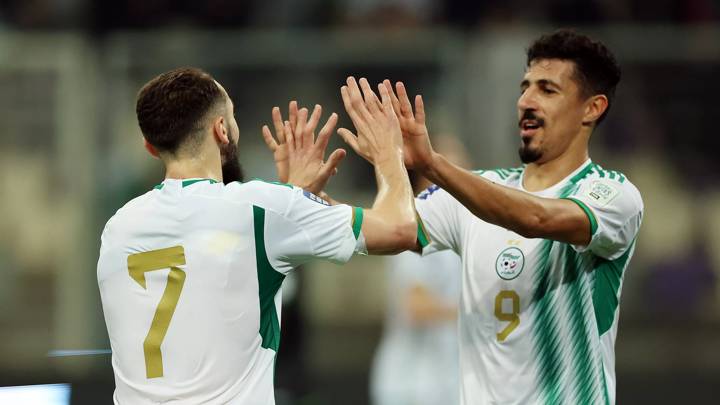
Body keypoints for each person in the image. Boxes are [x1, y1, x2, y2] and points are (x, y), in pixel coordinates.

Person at [268, 29, 643, 405]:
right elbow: (388, 228)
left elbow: (537, 219)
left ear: (592, 108)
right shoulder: (474, 192)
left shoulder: (611, 196)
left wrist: (431, 163)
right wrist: (303, 200)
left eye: (547, 90)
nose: (526, 101)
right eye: (524, 87)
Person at [96, 67, 417, 404]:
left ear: (150, 146)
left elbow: (207, 271)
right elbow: (400, 228)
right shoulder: (261, 210)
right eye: (231, 115)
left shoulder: (118, 228)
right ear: (222, 130)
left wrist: (294, 199)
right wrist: (389, 154)